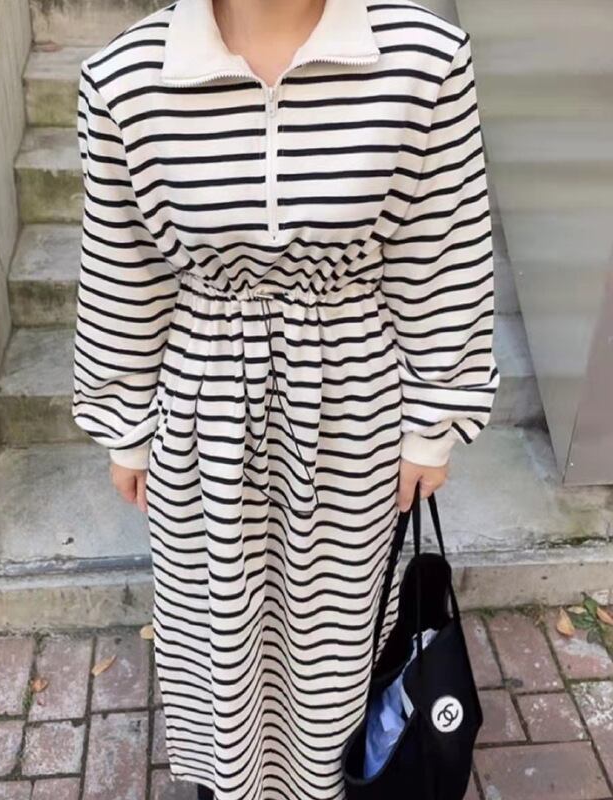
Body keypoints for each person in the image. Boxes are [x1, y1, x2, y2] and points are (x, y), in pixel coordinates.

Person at [71, 0, 500, 797]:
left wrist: (433, 422)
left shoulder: (423, 59)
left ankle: (327, 779)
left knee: (334, 630)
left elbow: (442, 249)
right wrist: (124, 424)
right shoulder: (127, 77)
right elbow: (122, 268)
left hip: (353, 401)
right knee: (217, 624)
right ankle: (232, 780)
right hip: (203, 404)